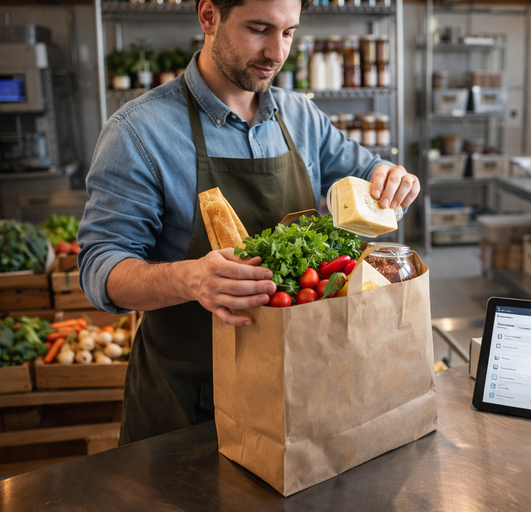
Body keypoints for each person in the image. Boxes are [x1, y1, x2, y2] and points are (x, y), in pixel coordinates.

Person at [77, 0, 419, 445]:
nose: (277, 52)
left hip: (302, 384)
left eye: (289, 33)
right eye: (259, 29)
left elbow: (371, 175)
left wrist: (393, 182)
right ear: (209, 17)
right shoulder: (138, 132)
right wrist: (191, 279)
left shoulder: (302, 116)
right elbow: (99, 269)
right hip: (190, 399)